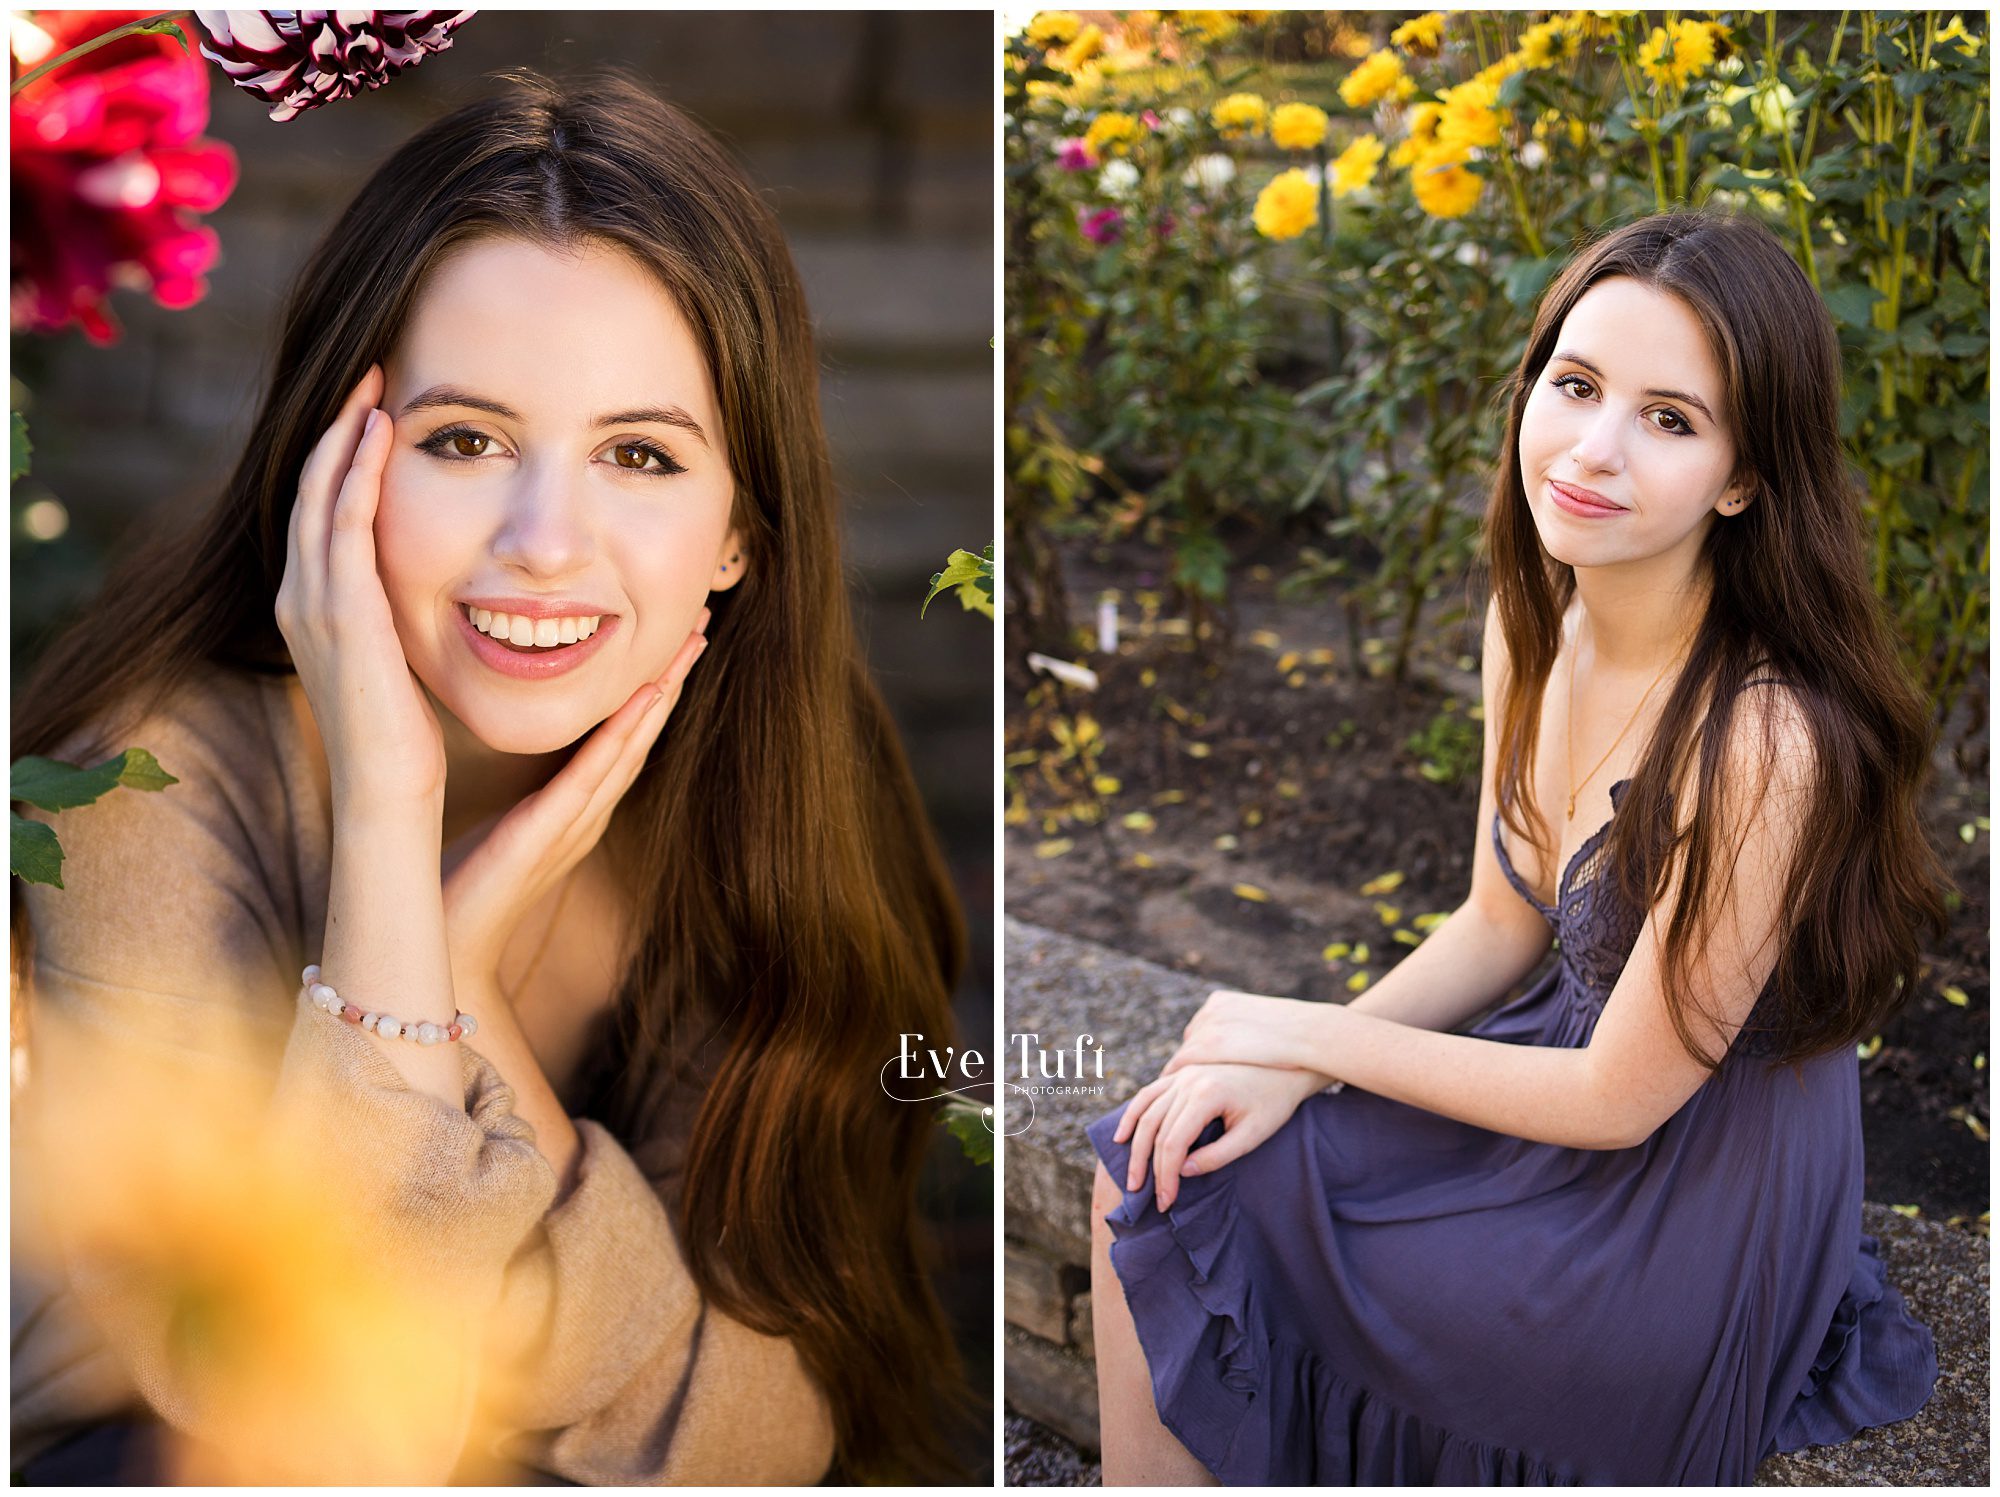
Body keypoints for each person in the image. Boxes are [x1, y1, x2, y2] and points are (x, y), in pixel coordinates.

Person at [11, 70, 970, 1485]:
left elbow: (769, 1436)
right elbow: (304, 1411)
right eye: (466, 441)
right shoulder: (143, 788)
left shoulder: (782, 807)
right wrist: (395, 856)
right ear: (337, 469)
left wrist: (460, 984)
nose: (546, 541)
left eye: (639, 456)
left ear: (739, 536)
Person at [1085, 210, 1950, 1486]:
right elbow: (1500, 920)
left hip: (1686, 1175)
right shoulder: (1530, 613)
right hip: (1557, 1061)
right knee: (1152, 1175)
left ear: (1742, 476)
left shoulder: (1764, 739)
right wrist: (1290, 1077)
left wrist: (1300, 1036)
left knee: (1226, 1200)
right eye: (1576, 385)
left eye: (1669, 418)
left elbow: (1616, 1103)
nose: (1592, 450)